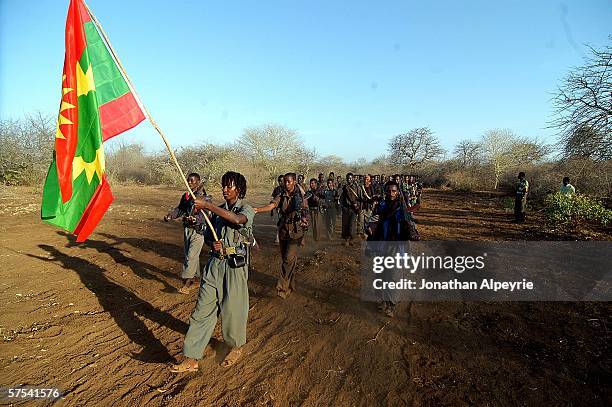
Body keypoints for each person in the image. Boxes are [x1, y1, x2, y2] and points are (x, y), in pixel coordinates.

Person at [171, 171, 255, 372]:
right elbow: (208, 237)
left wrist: (208, 206)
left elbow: (236, 220)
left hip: (235, 267)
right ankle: (191, 357)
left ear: (240, 189)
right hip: (214, 266)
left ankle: (235, 346)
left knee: (233, 310)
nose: (225, 190)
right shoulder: (216, 214)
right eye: (224, 186)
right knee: (202, 310)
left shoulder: (246, 209)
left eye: (230, 186)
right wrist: (212, 243)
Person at [365, 180, 420, 317]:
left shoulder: (402, 207)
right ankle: (383, 300)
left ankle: (391, 304)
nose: (391, 193)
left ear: (398, 191)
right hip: (381, 245)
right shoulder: (380, 206)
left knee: (394, 276)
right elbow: (372, 225)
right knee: (381, 274)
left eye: (394, 191)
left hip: (397, 246)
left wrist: (412, 232)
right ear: (385, 191)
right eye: (389, 191)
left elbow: (409, 225)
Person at [254, 173, 308, 299]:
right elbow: (272, 205)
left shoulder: (301, 196)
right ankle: (291, 285)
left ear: (294, 181)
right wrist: (257, 210)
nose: (286, 184)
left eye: (289, 181)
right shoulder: (281, 194)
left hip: (296, 232)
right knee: (287, 259)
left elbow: (305, 213)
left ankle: (282, 288)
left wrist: (304, 231)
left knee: (288, 259)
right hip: (283, 230)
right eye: (285, 182)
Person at [164, 173, 208, 294]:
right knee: (192, 256)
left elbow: (206, 214)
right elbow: (180, 209)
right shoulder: (187, 196)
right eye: (188, 181)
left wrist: (196, 220)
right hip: (187, 229)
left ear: (198, 182)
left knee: (191, 257)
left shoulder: (203, 197)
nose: (189, 183)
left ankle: (187, 283)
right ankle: (196, 279)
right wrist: (171, 215)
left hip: (198, 231)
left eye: (192, 181)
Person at [339, 173, 361, 246]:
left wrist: (357, 206)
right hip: (346, 208)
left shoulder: (357, 187)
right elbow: (341, 198)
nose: (349, 180)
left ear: (353, 178)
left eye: (350, 178)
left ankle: (352, 239)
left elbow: (359, 198)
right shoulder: (344, 187)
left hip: (353, 209)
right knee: (345, 225)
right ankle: (346, 240)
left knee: (352, 225)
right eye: (348, 178)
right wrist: (342, 206)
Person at [357, 174, 375, 239]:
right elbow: (357, 197)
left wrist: (373, 205)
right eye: (365, 179)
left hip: (368, 207)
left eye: (367, 179)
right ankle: (360, 235)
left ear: (369, 180)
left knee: (368, 222)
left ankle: (367, 234)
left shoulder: (371, 187)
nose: (365, 180)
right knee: (360, 221)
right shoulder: (360, 187)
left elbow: (373, 198)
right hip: (361, 207)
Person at [271, 175, 285, 245]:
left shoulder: (287, 188)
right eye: (279, 180)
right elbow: (274, 198)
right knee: (280, 223)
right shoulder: (277, 189)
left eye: (282, 180)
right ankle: (277, 239)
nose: (280, 182)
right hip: (280, 209)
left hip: (287, 209)